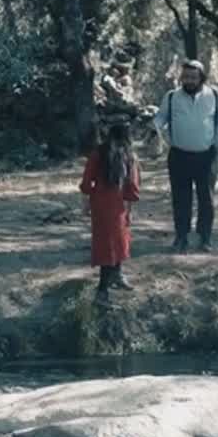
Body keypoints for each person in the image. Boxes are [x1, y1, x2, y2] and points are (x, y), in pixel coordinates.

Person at [153, 59, 218, 254]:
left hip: (206, 157)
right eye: (186, 77)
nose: (189, 81)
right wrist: (154, 127)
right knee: (180, 199)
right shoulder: (172, 97)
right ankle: (181, 237)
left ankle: (205, 237)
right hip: (179, 156)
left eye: (193, 77)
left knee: (206, 199)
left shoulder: (213, 95)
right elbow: (161, 117)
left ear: (201, 78)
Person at [80, 123, 141, 304]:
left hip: (100, 204)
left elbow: (86, 182)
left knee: (106, 245)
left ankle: (114, 278)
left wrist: (86, 203)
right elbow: (132, 188)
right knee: (118, 242)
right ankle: (103, 290)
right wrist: (129, 211)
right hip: (118, 205)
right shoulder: (130, 156)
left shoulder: (97, 153)